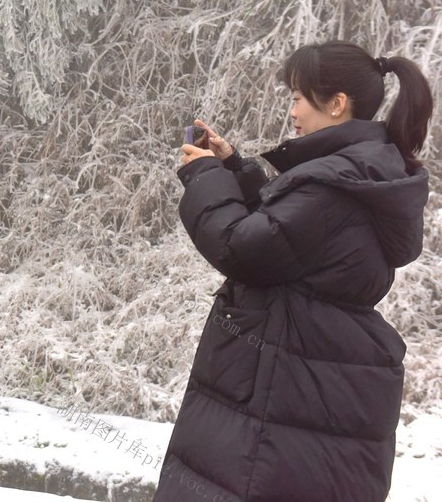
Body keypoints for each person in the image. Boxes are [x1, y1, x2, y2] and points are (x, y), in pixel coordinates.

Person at [156, 41, 433, 501]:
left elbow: (241, 249)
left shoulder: (333, 182)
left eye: (298, 97)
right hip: (308, 379)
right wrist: (235, 169)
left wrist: (206, 176)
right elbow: (291, 242)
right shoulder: (363, 171)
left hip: (279, 389)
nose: (292, 111)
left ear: (337, 104)